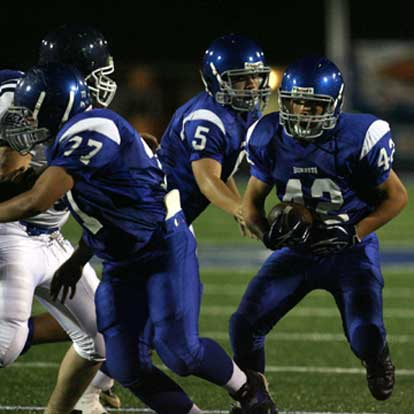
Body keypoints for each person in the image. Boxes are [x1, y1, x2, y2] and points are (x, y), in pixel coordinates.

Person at [0, 62, 277, 414]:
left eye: (31, 113)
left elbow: (36, 200)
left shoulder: (89, 128)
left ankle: (249, 392)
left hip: (160, 245)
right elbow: (103, 209)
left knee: (180, 351)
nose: (24, 122)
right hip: (119, 256)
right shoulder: (71, 137)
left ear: (56, 108)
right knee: (127, 365)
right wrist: (78, 258)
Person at [229, 55, 408, 402]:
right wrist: (267, 231)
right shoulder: (268, 135)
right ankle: (256, 399)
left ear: (334, 105)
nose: (302, 111)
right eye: (296, 101)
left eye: (313, 104)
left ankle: (376, 358)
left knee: (365, 334)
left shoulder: (359, 138)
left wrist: (355, 231)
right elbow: (251, 204)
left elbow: (396, 198)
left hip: (350, 251)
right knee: (243, 325)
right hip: (296, 253)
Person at [0, 24, 119, 414]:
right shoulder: (15, 98)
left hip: (52, 238)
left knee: (102, 340)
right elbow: (13, 179)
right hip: (10, 230)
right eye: (99, 74)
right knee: (5, 345)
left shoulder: (86, 115)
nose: (107, 85)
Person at [157, 34, 271, 235]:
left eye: (255, 76)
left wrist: (239, 208)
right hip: (156, 212)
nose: (252, 84)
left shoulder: (246, 112)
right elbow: (208, 181)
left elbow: (221, 169)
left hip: (176, 215)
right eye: (240, 77)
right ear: (216, 79)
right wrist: (243, 210)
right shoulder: (207, 119)